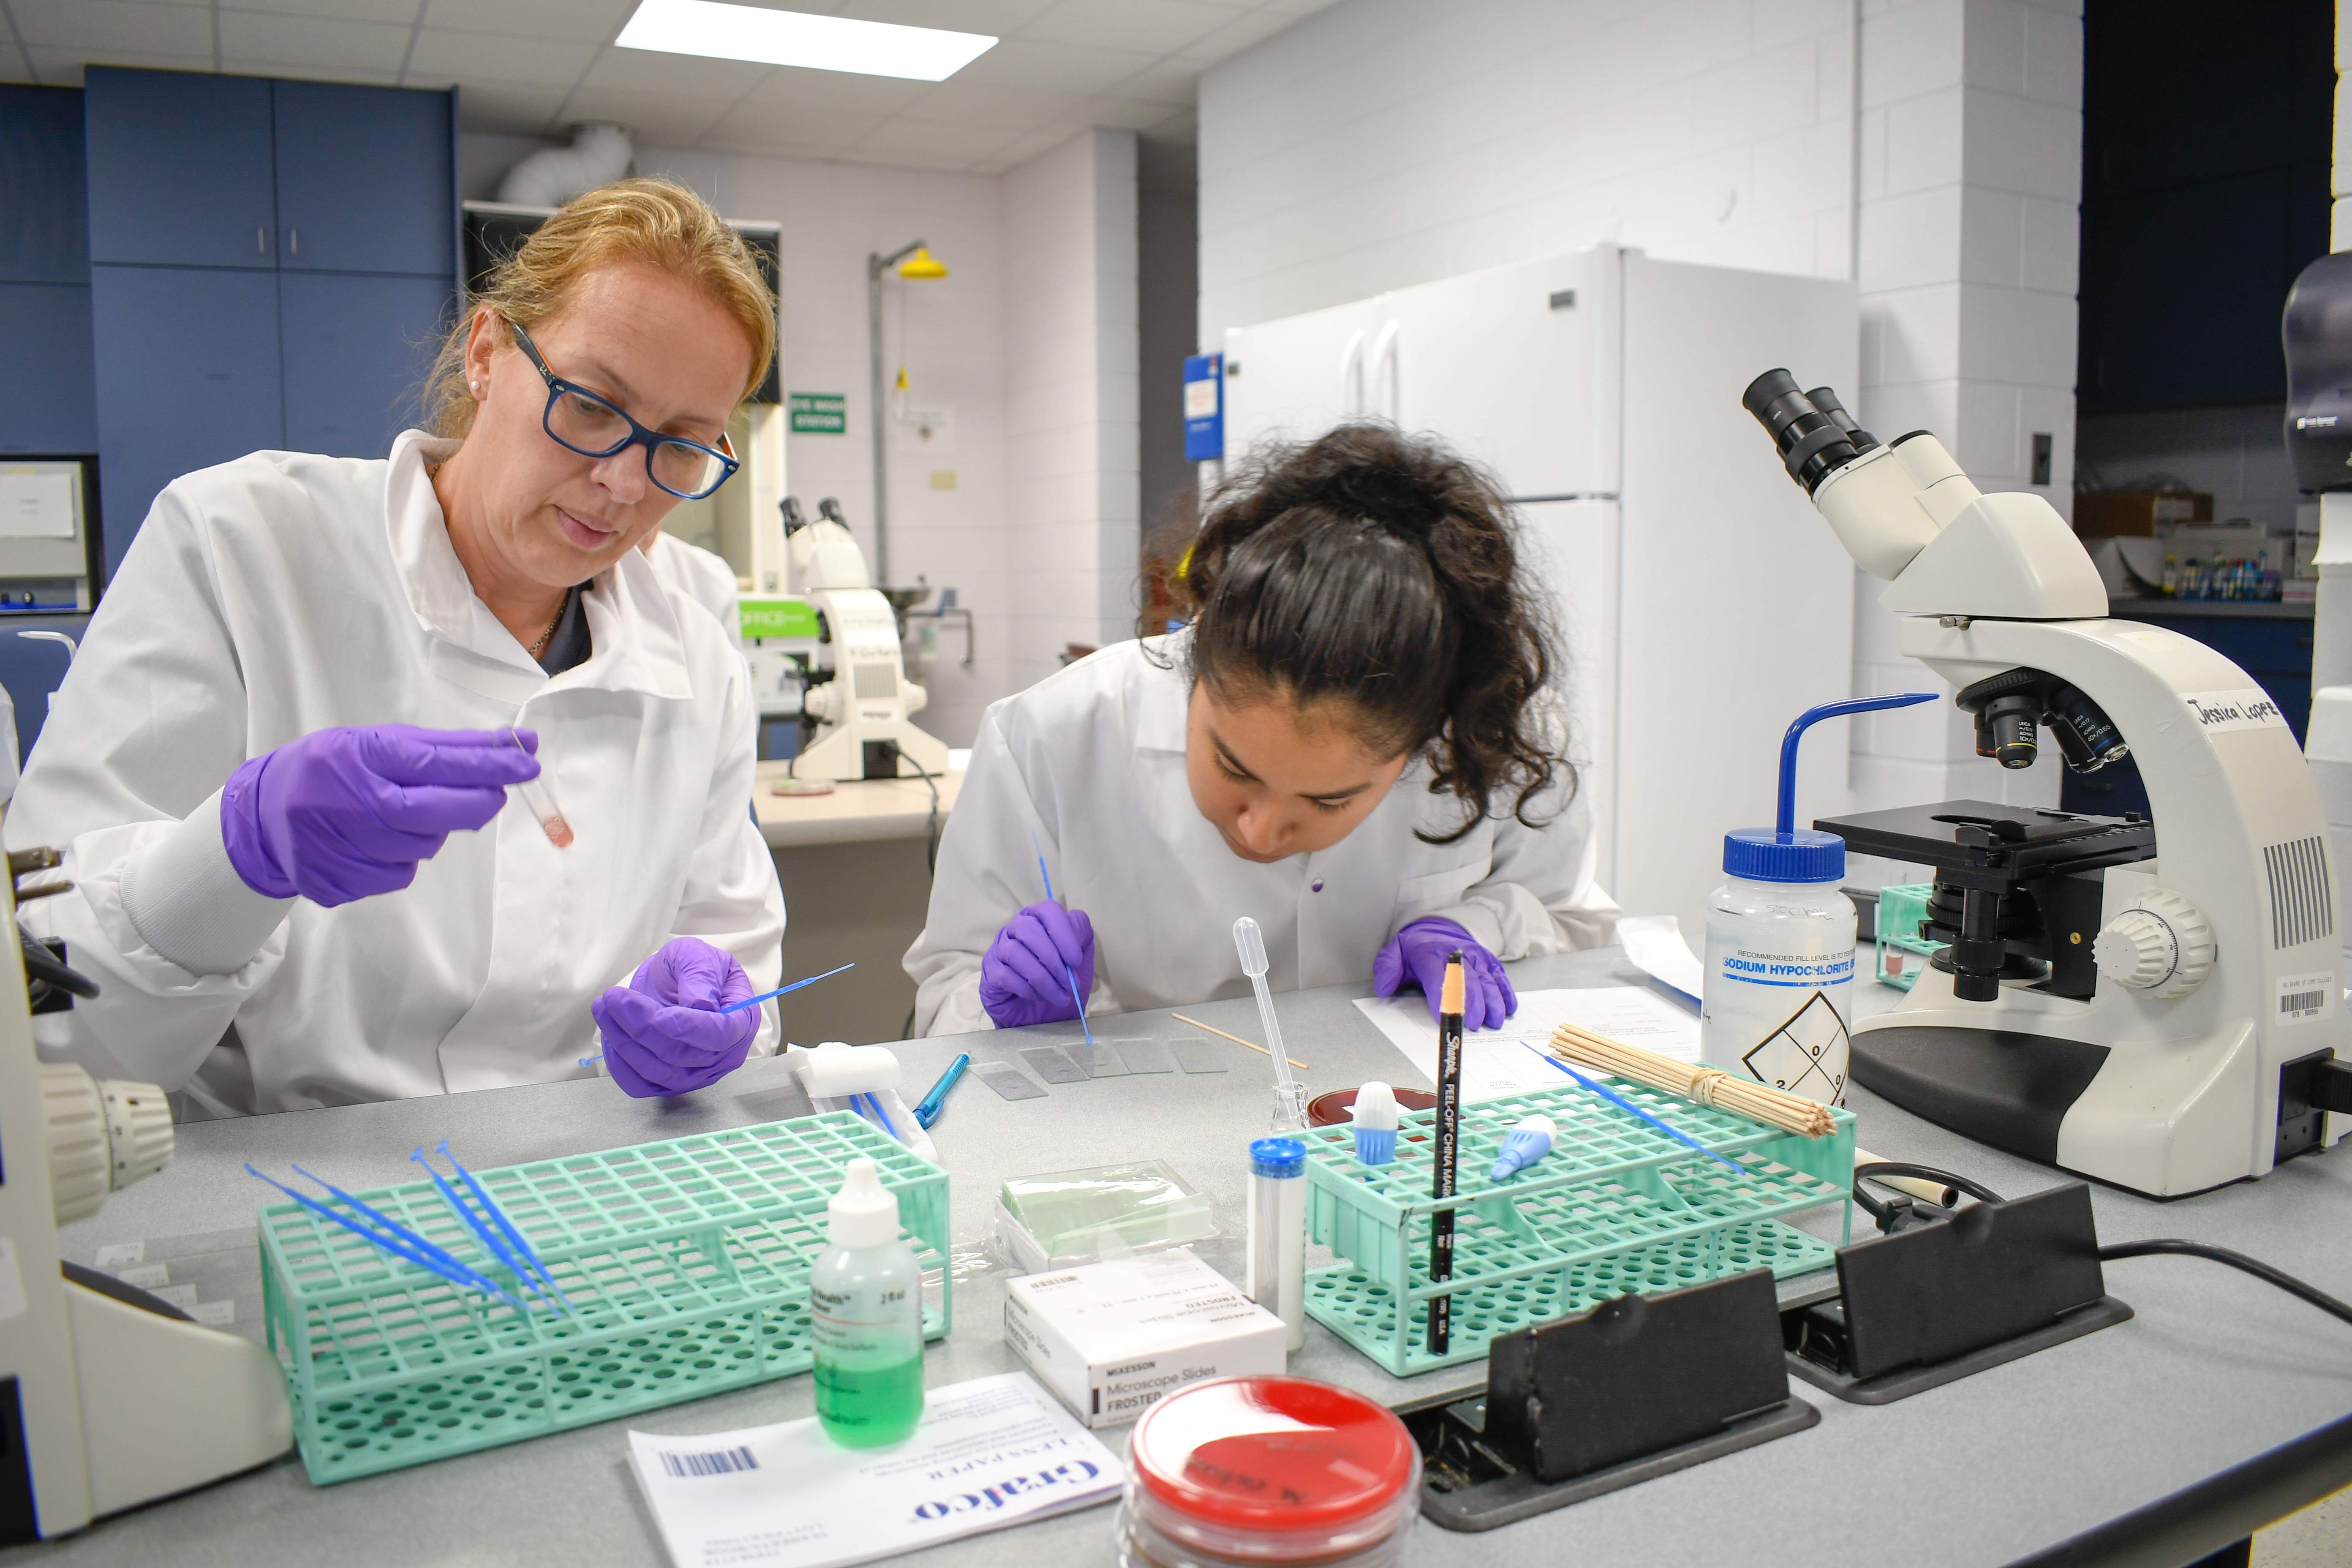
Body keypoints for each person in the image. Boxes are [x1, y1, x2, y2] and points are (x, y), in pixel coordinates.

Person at [5, 177, 787, 1113]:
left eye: (682, 446)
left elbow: (730, 952)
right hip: (272, 1179)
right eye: (588, 403)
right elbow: (48, 1023)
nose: (624, 480)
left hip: (581, 1169)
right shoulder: (241, 543)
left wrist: (718, 1016)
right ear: (488, 351)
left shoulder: (695, 642)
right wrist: (229, 857)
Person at [904, 424, 1618, 1037]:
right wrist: (1004, 1011)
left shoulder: (1494, 742)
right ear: (1197, 664)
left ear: (1426, 735)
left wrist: (1480, 928)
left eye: (1330, 801)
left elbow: (1579, 929)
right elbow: (945, 993)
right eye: (1234, 767)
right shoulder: (1051, 735)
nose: (1261, 832)